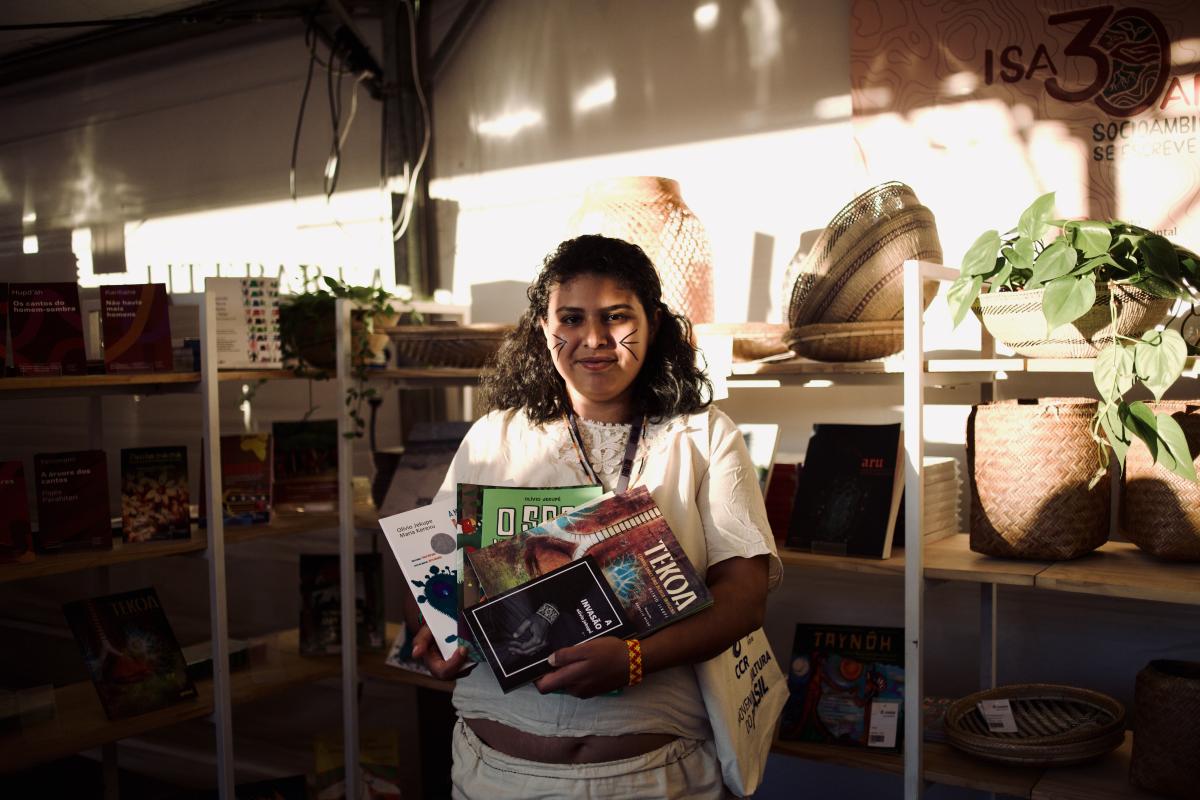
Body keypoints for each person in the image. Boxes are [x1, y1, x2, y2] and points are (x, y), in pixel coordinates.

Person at [411, 234, 783, 799]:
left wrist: (636, 658)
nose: (593, 339)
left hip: (651, 780)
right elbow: (434, 573)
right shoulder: (494, 437)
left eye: (616, 317)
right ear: (543, 328)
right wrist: (436, 630)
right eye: (571, 318)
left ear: (654, 323)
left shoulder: (703, 436)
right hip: (493, 777)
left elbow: (745, 598)